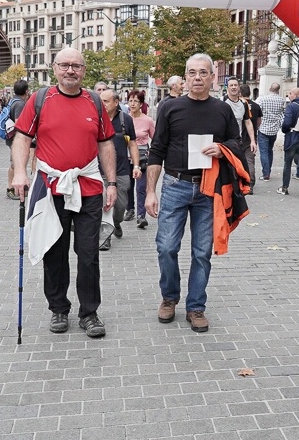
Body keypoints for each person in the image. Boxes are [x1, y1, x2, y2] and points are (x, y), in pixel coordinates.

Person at [11, 48, 117, 338]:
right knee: (54, 252)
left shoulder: (94, 102)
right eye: (65, 65)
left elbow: (106, 143)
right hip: (51, 188)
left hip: (89, 188)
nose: (71, 70)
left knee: (88, 254)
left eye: (76, 66)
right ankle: (58, 308)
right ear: (54, 68)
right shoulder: (40, 99)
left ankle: (89, 313)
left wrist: (111, 183)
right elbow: (22, 138)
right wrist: (20, 172)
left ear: (84, 71)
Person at [145, 53, 240, 333]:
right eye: (192, 72)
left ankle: (196, 306)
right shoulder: (170, 107)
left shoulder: (222, 110)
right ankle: (169, 297)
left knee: (201, 252)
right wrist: (150, 192)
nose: (197, 77)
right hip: (175, 185)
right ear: (185, 77)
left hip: (209, 189)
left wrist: (222, 149)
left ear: (212, 78)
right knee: (166, 247)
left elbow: (237, 142)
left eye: (203, 72)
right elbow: (157, 150)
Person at [99, 90, 141, 249]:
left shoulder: (125, 120)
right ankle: (105, 236)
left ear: (116, 102)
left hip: (122, 171)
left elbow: (133, 144)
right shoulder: (97, 119)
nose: (102, 104)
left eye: (106, 101)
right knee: (105, 205)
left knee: (120, 206)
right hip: (101, 171)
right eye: (101, 101)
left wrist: (136, 166)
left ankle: (116, 222)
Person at [128, 90, 155, 229]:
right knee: (127, 186)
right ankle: (129, 209)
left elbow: (155, 138)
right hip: (126, 155)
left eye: (136, 101)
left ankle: (141, 215)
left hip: (142, 156)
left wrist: (153, 154)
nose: (132, 104)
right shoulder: (124, 118)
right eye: (130, 101)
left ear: (141, 104)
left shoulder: (147, 120)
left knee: (141, 187)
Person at [223, 78, 257, 185]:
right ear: (227, 88)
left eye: (235, 85)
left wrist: (253, 141)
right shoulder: (221, 102)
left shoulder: (243, 103)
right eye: (231, 85)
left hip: (239, 141)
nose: (233, 87)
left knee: (241, 165)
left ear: (239, 88)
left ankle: (244, 186)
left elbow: (248, 122)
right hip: (225, 141)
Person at [255, 83, 284, 181]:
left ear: (269, 89)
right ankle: (268, 171)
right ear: (278, 90)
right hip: (274, 130)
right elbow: (280, 114)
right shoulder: (281, 100)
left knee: (263, 152)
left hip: (263, 128)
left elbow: (257, 111)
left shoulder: (262, 99)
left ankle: (266, 173)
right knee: (269, 150)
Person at [6, 80, 29, 200]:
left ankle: (17, 188)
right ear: (26, 91)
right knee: (15, 163)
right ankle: (11, 189)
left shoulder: (13, 101)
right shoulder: (20, 104)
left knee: (15, 163)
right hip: (16, 139)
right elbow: (19, 123)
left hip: (12, 137)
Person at [240, 84, 262, 191]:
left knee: (238, 160)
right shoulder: (256, 106)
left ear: (240, 94)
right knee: (250, 161)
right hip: (251, 137)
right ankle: (251, 183)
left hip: (239, 136)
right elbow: (259, 121)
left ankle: (240, 181)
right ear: (250, 93)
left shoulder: (239, 105)